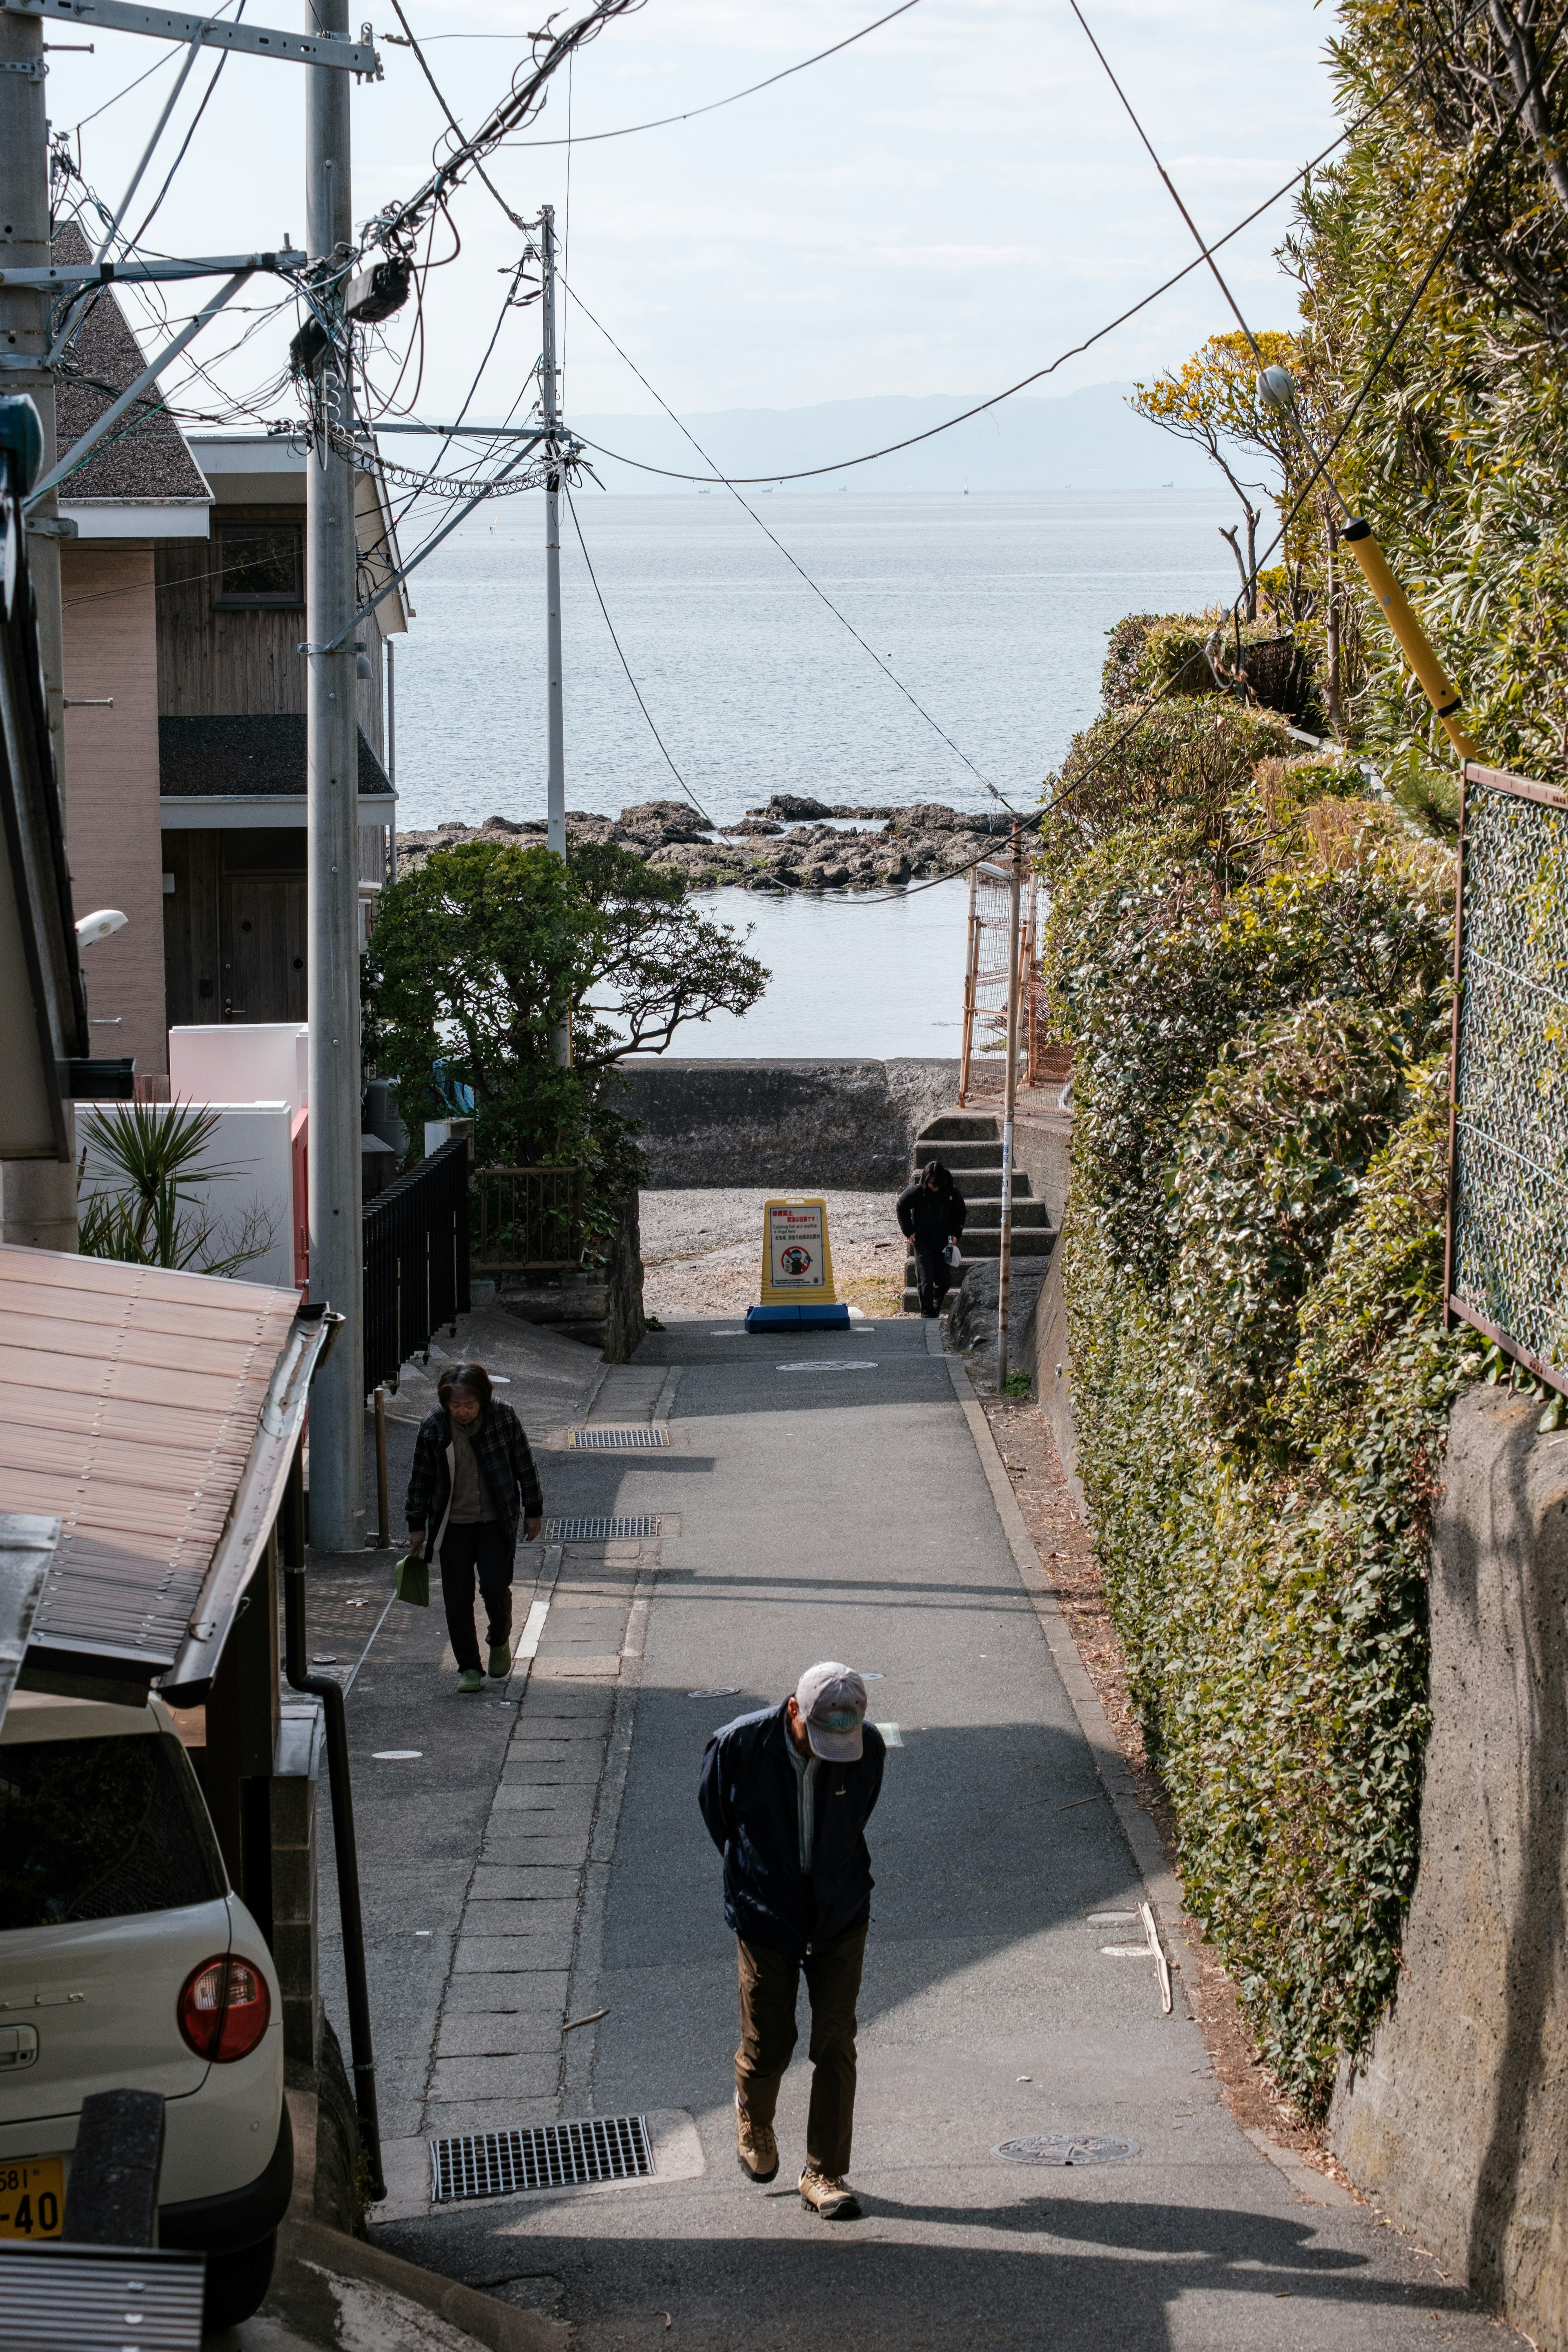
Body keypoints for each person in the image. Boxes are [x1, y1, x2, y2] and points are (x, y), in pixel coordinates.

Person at [698, 1663, 886, 2221]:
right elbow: (718, 1816)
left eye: (844, 1739)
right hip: (766, 1915)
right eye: (820, 1737)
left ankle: (824, 2171)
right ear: (793, 1712)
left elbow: (858, 1815)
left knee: (835, 2040)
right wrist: (759, 1874)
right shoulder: (738, 1744)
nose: (833, 1751)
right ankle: (753, 2114)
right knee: (770, 2041)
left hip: (840, 1911)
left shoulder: (867, 1748)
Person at [404, 1362, 543, 1695]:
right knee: (457, 1598)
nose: (463, 1412)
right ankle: (468, 1666)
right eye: (456, 1406)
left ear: (482, 1399)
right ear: (445, 1404)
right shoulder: (434, 1426)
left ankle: (499, 1639)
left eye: (469, 1405)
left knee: (496, 1588)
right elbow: (420, 1479)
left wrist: (534, 1511)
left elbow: (525, 1464)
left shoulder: (504, 1417)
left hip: (497, 1521)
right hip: (452, 1527)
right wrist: (416, 1526)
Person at [896, 1158, 967, 1318]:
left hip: (944, 1242)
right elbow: (901, 1207)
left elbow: (960, 1214)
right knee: (925, 1279)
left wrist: (956, 1233)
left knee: (944, 1280)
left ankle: (935, 1307)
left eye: (936, 1183)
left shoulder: (952, 1193)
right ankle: (928, 1314)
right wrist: (909, 1231)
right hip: (922, 1241)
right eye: (930, 1183)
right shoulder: (915, 1192)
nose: (933, 1187)